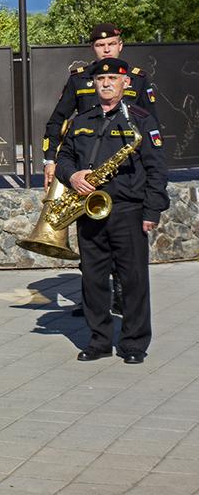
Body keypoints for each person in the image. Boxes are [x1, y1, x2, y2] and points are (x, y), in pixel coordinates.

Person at [55, 57, 168, 365]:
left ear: (125, 83)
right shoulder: (80, 121)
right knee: (92, 280)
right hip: (89, 211)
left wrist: (152, 211)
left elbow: (157, 169)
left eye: (112, 80)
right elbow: (64, 158)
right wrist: (73, 176)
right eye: (101, 80)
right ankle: (99, 341)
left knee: (133, 280)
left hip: (128, 210)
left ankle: (133, 343)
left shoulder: (141, 121)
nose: (105, 83)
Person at [41, 22, 157, 316]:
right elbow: (56, 121)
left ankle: (119, 295)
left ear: (121, 45)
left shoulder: (139, 80)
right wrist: (50, 161)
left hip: (124, 177)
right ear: (93, 48)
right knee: (90, 244)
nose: (105, 49)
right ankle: (94, 299)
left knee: (124, 251)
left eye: (111, 44)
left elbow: (151, 128)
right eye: (99, 46)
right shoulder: (80, 80)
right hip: (84, 174)